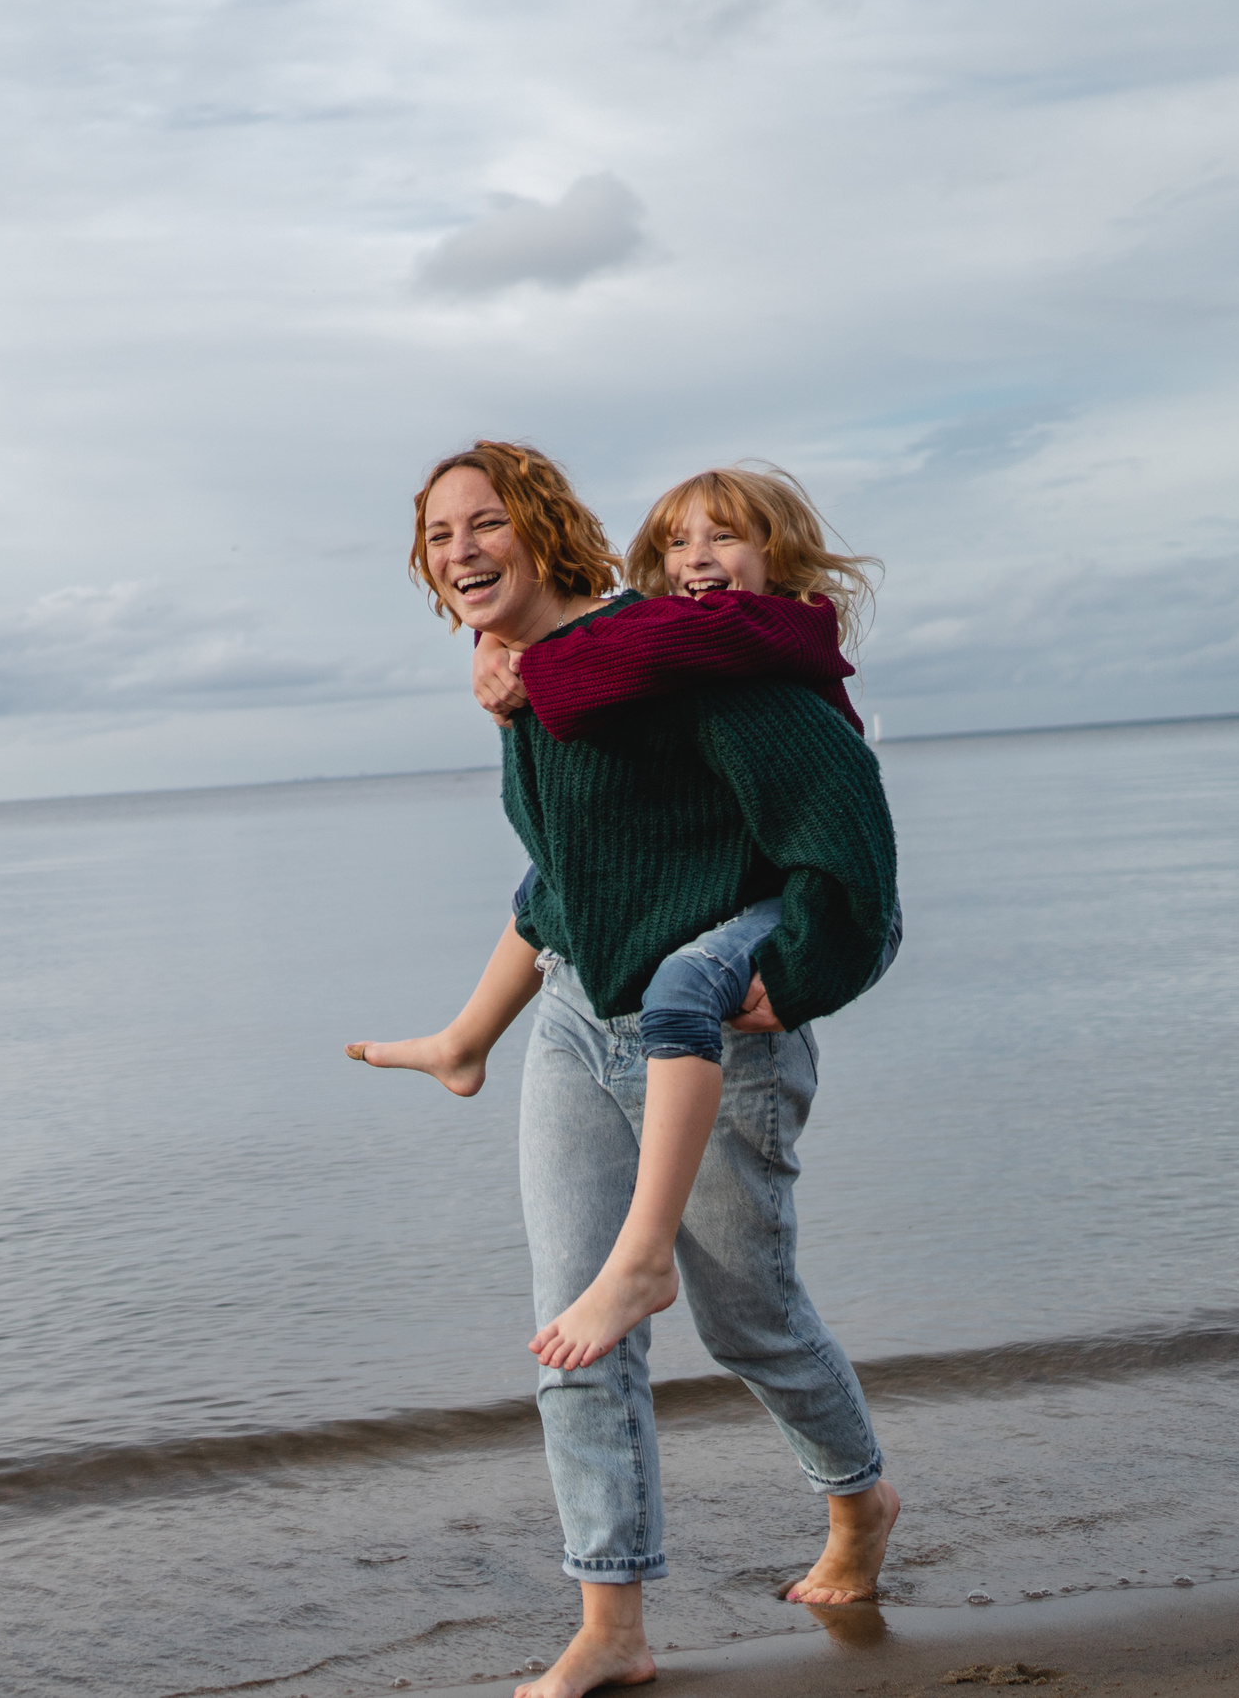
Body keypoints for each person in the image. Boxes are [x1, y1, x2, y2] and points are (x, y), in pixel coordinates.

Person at [366, 443, 902, 1697]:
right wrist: (469, 1035)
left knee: (749, 1321)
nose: (461, 552)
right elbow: (564, 882)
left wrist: (805, 973)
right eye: (440, 538)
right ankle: (611, 1627)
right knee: (573, 1334)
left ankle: (858, 1500)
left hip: (722, 1037)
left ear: (545, 527)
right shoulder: (527, 687)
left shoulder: (683, 656)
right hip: (576, 1026)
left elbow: (846, 822)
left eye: (484, 523)